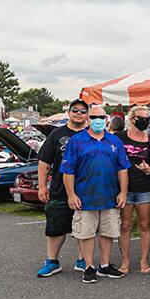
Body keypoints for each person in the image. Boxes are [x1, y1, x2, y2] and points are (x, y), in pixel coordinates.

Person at [61, 105, 130, 284]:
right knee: (86, 233)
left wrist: (123, 192)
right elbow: (68, 170)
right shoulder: (76, 141)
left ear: (107, 119)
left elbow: (123, 169)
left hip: (110, 196)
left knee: (108, 232)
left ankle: (105, 265)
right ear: (87, 119)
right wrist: (71, 195)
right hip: (85, 196)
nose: (97, 120)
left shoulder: (115, 141)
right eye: (93, 117)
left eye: (101, 117)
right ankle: (89, 266)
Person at [36, 99, 88, 278]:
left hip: (86, 190)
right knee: (55, 226)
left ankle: (83, 260)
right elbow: (44, 162)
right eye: (75, 110)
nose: (79, 114)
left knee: (84, 227)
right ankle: (52, 261)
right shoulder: (57, 134)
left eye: (83, 111)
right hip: (59, 189)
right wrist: (42, 186)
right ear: (69, 112)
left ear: (87, 115)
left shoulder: (92, 135)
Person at [116, 105, 150, 274]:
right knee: (125, 225)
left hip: (144, 188)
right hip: (124, 188)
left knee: (145, 225)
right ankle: (125, 261)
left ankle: (144, 260)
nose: (145, 122)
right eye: (142, 118)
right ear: (132, 119)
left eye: (148, 119)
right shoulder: (119, 137)